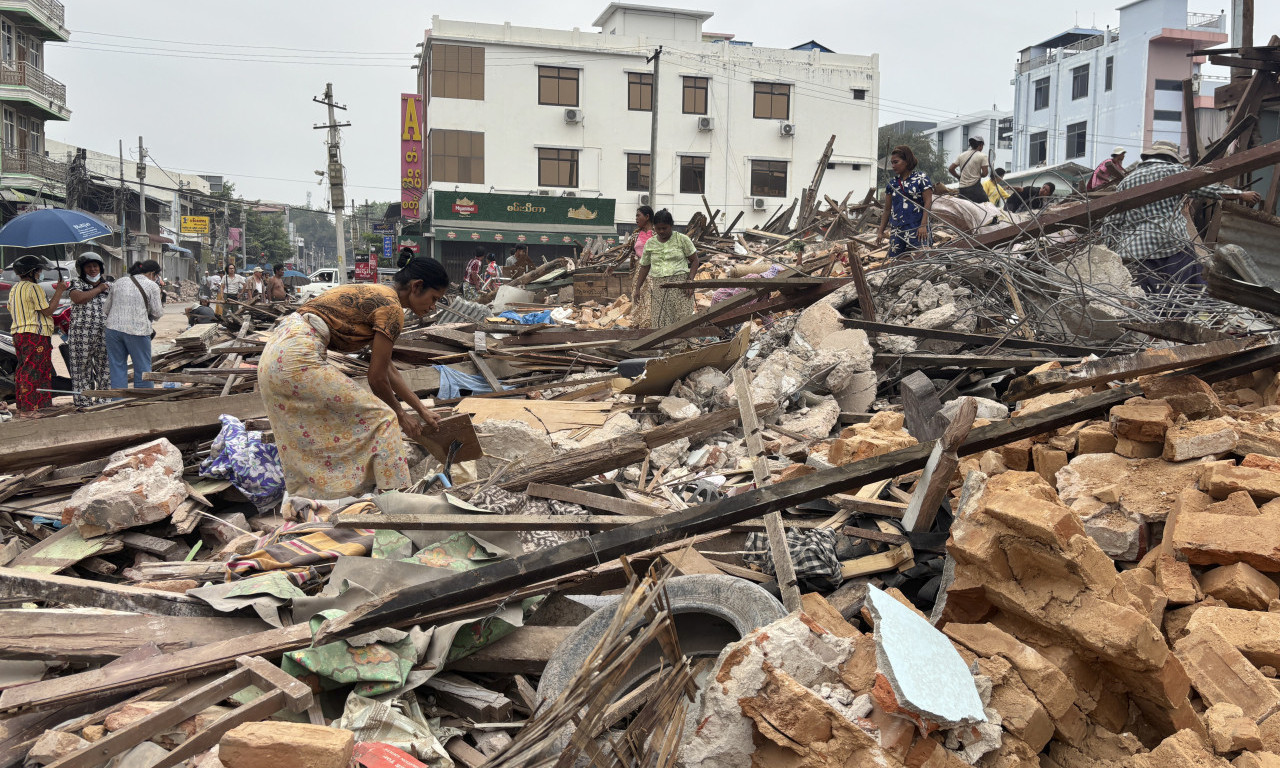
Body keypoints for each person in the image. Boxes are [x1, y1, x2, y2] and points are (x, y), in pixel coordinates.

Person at [258, 256, 450, 498]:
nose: (433, 307)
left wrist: (421, 410)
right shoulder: (392, 309)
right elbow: (376, 378)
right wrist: (401, 415)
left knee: (319, 428)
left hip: (277, 351)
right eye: (434, 298)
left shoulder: (380, 294)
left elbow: (388, 368)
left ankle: (314, 499)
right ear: (417, 286)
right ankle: (397, 503)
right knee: (384, 420)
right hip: (297, 356)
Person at [1105, 140, 1260, 293]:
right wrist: (1240, 194)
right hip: (1170, 242)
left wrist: (1109, 251)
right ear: (1170, 157)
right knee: (1188, 287)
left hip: (1136, 249)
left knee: (1149, 295)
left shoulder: (1126, 182)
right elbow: (1204, 188)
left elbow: (1112, 221)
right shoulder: (1173, 171)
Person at [6, 255, 67, 415]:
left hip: (19, 334)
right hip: (35, 335)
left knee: (26, 370)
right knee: (34, 371)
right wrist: (60, 290)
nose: (40, 273)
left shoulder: (14, 288)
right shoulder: (34, 288)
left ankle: (33, 405)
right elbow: (48, 310)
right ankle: (30, 409)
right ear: (32, 272)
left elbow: (10, 308)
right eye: (39, 271)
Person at [103, 259, 164, 390]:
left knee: (117, 367)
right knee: (143, 368)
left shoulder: (119, 282)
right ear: (152, 273)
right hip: (138, 331)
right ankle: (142, 400)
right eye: (157, 276)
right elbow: (158, 313)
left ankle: (118, 400)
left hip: (112, 330)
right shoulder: (152, 286)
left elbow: (106, 309)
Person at [634, 209, 699, 329]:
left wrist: (690, 281)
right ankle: (664, 342)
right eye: (658, 228)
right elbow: (645, 266)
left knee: (682, 319)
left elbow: (695, 260)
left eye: (664, 228)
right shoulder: (650, 243)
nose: (661, 231)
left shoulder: (682, 239)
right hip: (659, 287)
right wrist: (638, 288)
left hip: (680, 286)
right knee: (661, 321)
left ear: (671, 226)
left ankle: (683, 342)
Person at [67, 253, 112, 408]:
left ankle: (104, 400)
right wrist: (98, 289)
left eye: (95, 266)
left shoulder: (109, 286)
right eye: (88, 267)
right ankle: (83, 401)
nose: (93, 269)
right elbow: (78, 298)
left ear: (101, 268)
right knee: (81, 368)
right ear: (82, 269)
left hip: (105, 333)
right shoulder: (76, 283)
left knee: (105, 368)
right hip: (81, 334)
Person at [876, 145, 933, 258]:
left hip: (917, 229)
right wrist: (880, 232)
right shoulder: (892, 184)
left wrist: (923, 226)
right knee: (896, 262)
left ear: (906, 161)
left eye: (896, 162)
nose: (893, 166)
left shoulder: (921, 179)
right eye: (892, 163)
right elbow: (887, 210)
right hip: (897, 232)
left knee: (921, 260)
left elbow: (928, 203)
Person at [628, 205, 656, 325]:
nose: (636, 218)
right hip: (639, 269)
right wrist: (612, 265)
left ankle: (649, 324)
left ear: (647, 217)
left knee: (651, 297)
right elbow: (626, 251)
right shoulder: (635, 235)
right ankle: (638, 324)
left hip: (654, 270)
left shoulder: (657, 234)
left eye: (638, 215)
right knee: (637, 296)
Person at [949, 137, 990, 204]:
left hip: (962, 189)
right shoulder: (983, 156)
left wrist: (958, 177)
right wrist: (979, 175)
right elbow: (985, 173)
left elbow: (951, 169)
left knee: (965, 207)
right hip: (975, 188)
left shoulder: (962, 155)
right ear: (980, 145)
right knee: (987, 205)